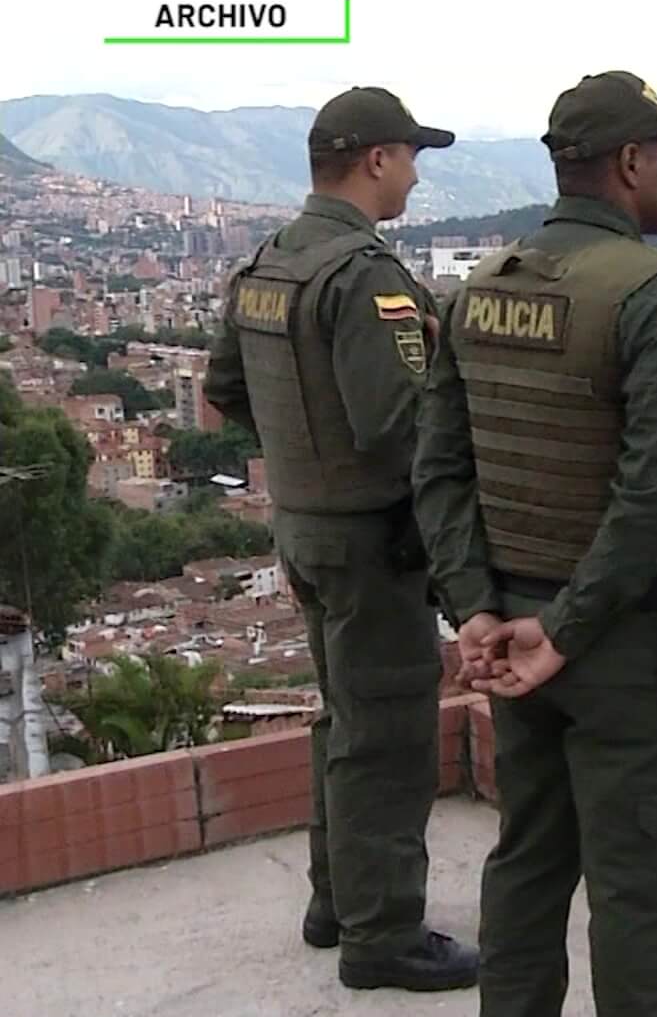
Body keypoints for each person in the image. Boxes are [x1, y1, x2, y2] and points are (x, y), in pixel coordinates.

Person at [412, 71, 657, 1016]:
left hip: (511, 627)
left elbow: (440, 471)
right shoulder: (656, 297)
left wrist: (476, 604)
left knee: (529, 859)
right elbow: (655, 491)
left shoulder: (480, 292)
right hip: (623, 641)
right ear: (631, 164)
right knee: (649, 889)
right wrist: (570, 626)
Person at [203, 86, 479, 992]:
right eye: (409, 157)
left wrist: (301, 460)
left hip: (306, 530)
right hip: (371, 543)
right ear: (374, 161)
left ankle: (337, 903)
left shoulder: (271, 262)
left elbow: (228, 389)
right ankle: (385, 935)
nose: (412, 174)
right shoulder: (364, 276)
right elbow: (402, 431)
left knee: (345, 722)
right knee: (388, 737)